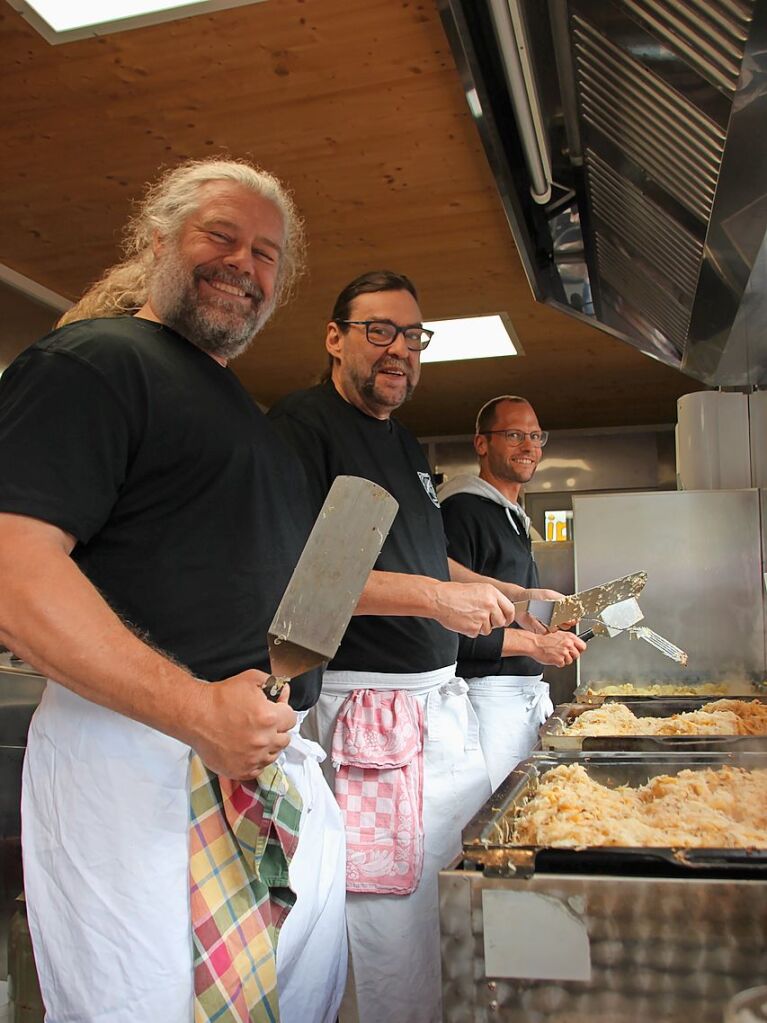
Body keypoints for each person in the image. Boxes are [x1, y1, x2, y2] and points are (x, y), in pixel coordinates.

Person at [0, 158, 346, 1023]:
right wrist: (197, 711)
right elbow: (14, 569)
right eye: (219, 236)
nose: (244, 263)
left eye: (266, 253)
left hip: (252, 758)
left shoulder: (240, 409)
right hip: (143, 764)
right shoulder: (94, 362)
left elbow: (273, 578)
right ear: (157, 243)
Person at [268, 271, 554, 1023]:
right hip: (368, 711)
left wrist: (510, 595)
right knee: (384, 917)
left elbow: (426, 558)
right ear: (335, 338)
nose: (399, 350)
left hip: (436, 710)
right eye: (379, 330)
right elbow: (297, 576)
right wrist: (436, 599)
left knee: (443, 890)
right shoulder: (301, 427)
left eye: (413, 336)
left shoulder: (402, 441)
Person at [440, 395, 586, 790]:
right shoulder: (461, 511)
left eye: (536, 436)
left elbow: (506, 608)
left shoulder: (513, 517)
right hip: (482, 703)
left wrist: (542, 630)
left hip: (518, 700)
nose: (529, 447)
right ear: (482, 443)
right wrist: (532, 647)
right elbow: (445, 630)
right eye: (514, 434)